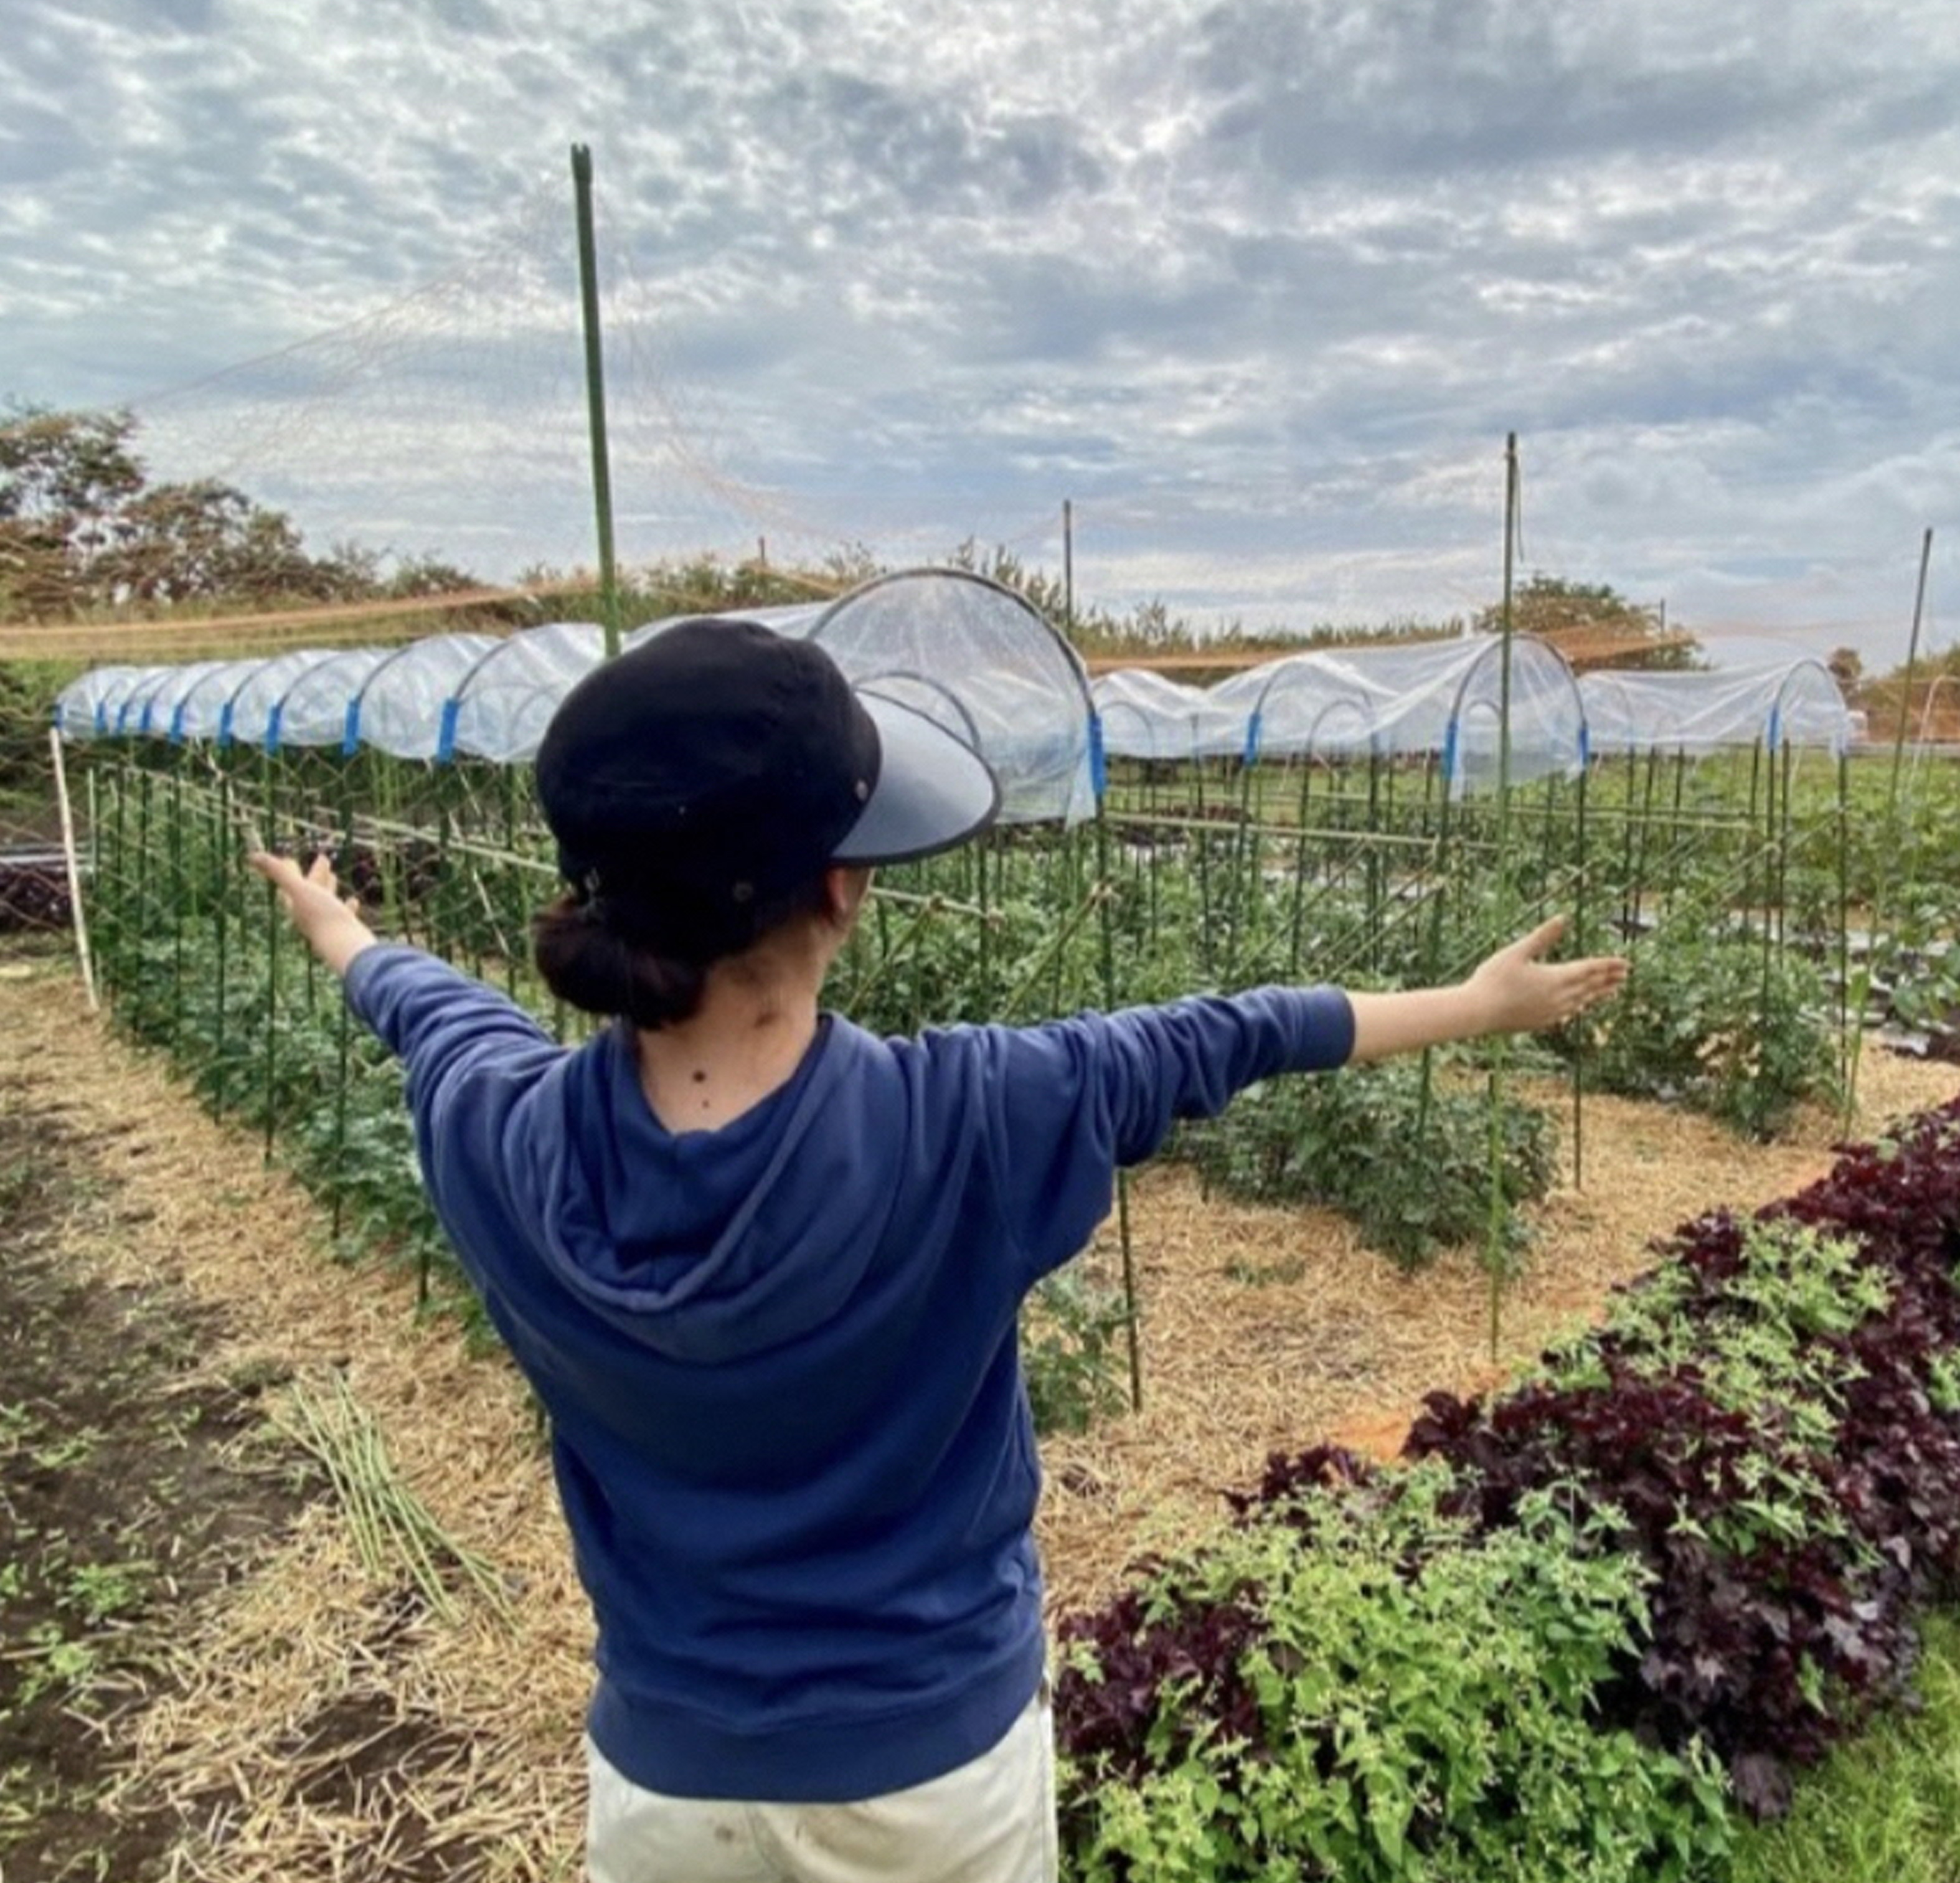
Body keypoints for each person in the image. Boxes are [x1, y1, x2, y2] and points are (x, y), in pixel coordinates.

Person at [252, 618, 1628, 1883]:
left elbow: (419, 1008)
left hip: (671, 1790)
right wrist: (1472, 1004)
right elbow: (1232, 1033)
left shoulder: (497, 1135)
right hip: (929, 1777)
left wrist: (337, 924)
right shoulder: (970, 1118)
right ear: (843, 888)